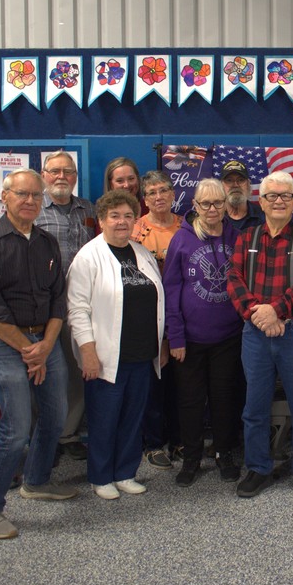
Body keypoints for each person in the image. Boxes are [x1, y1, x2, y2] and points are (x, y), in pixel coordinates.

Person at [0, 169, 76, 540]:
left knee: (57, 415)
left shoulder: (46, 243)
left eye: (35, 195)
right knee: (15, 429)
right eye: (22, 195)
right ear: (5, 197)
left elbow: (58, 299)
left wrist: (45, 347)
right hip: (5, 344)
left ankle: (37, 479)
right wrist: (32, 352)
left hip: (45, 340)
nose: (30, 201)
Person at [227, 171, 293, 499]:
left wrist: (277, 310)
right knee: (254, 407)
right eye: (272, 196)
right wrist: (259, 314)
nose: (279, 201)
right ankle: (258, 468)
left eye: (286, 196)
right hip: (255, 331)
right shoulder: (247, 238)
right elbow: (234, 278)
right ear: (262, 201)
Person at [67, 190, 164, 500]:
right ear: (102, 220)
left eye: (127, 216)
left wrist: (160, 344)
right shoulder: (88, 256)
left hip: (141, 353)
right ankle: (100, 476)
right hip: (106, 356)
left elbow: (156, 299)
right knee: (104, 419)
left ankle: (125, 472)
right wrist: (87, 352)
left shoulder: (142, 252)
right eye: (115, 216)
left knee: (133, 418)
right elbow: (77, 309)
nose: (122, 222)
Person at [163, 179, 244, 487]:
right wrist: (176, 336)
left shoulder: (235, 237)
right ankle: (192, 456)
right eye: (205, 204)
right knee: (190, 400)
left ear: (226, 205)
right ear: (194, 206)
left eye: (218, 203)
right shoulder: (181, 241)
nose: (212, 209)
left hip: (228, 336)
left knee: (225, 398)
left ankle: (224, 452)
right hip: (190, 339)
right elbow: (171, 290)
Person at [35, 150, 96, 462]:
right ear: (44, 175)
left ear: (75, 176)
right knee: (42, 370)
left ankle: (68, 433)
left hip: (79, 304)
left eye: (68, 172)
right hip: (41, 306)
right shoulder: (33, 209)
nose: (61, 177)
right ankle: (41, 436)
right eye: (55, 171)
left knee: (75, 371)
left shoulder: (88, 208)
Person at [131, 170, 183, 470]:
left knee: (181, 381)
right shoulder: (136, 229)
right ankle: (153, 443)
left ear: (173, 193)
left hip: (180, 312)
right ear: (145, 198)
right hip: (146, 316)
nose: (158, 196)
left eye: (163, 190)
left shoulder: (187, 226)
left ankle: (179, 439)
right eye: (151, 192)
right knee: (153, 381)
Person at [219, 159, 264, 231]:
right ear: (221, 186)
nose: (235, 185)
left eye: (241, 180)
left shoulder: (262, 216)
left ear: (248, 184)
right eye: (229, 180)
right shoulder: (215, 216)